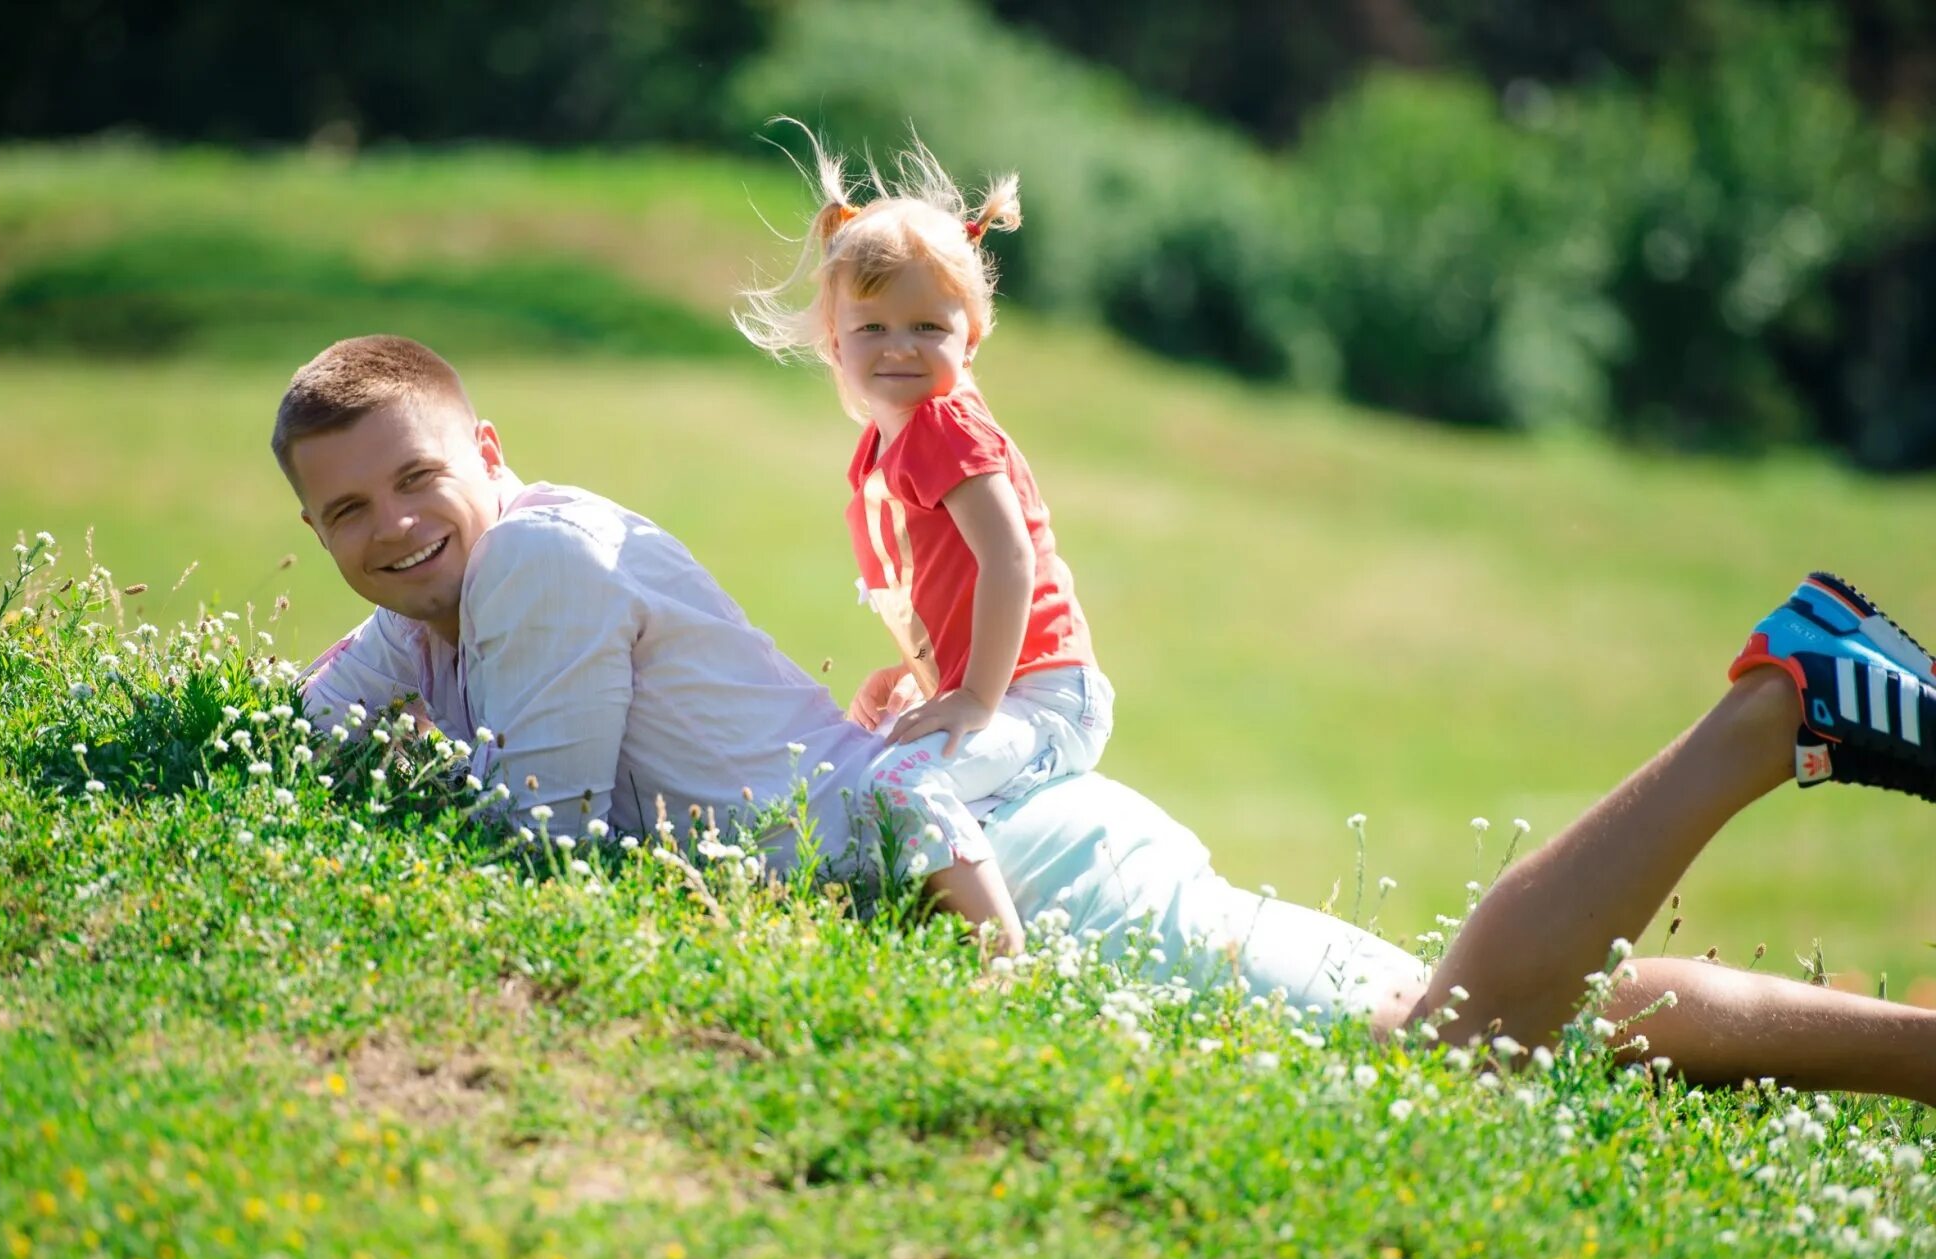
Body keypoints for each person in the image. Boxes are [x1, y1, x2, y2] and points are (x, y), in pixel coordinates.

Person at [276, 334, 1936, 1106]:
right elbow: (305, 727)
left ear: (486, 447)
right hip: (1008, 844)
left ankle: (1770, 703)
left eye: (417, 473)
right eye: (345, 512)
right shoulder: (441, 601)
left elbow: (535, 845)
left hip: (1027, 875)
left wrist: (415, 763)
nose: (394, 523)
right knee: (1530, 1025)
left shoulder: (535, 571)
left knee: (1451, 1050)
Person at [731, 127, 1111, 958]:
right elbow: (945, 583)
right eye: (872, 328)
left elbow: (1008, 559)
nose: (899, 346)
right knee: (874, 755)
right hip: (1007, 684)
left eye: (927, 327)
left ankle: (1002, 962)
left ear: (968, 337)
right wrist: (920, 677)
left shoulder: (945, 426)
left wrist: (973, 699)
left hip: (1044, 695)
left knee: (901, 779)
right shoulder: (887, 444)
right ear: (835, 340)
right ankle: (904, 928)